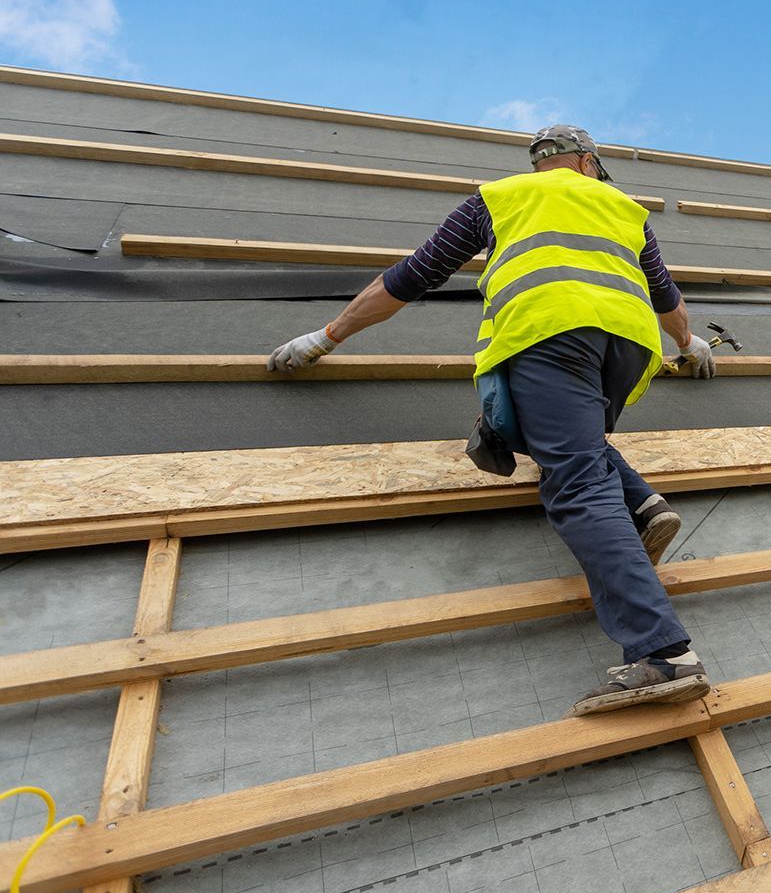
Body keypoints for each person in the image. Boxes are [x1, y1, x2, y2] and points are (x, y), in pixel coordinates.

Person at [266, 124, 715, 715]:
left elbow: (411, 276)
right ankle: (641, 503)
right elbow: (664, 294)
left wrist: (326, 337)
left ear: (539, 166)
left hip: (548, 336)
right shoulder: (625, 209)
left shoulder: (498, 199)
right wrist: (690, 344)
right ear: (587, 163)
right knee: (552, 437)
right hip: (627, 350)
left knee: (575, 482)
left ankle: (664, 654)